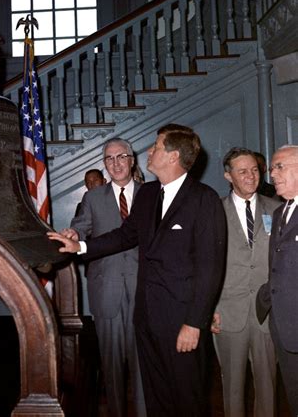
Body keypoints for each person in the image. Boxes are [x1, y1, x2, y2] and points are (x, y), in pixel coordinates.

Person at [48, 124, 226, 417]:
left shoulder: (203, 199)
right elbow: (124, 236)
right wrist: (79, 248)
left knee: (187, 400)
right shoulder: (148, 195)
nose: (150, 151)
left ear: (173, 157)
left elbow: (211, 268)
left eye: (156, 147)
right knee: (157, 398)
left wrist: (194, 323)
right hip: (146, 319)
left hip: (182, 322)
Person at [63, 138, 145, 417]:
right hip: (106, 289)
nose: (116, 163)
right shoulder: (93, 198)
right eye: (109, 159)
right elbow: (81, 227)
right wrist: (74, 234)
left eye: (121, 157)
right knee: (111, 365)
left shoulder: (151, 194)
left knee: (144, 364)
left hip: (144, 290)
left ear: (132, 160)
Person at [211, 147, 279, 417]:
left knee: (268, 386)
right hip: (227, 313)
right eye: (242, 171)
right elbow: (204, 266)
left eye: (255, 170)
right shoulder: (213, 211)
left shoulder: (277, 209)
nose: (251, 176)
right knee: (233, 388)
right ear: (228, 176)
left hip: (267, 313)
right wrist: (209, 308)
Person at [257, 145, 298, 417]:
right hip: (283, 325)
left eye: (279, 166)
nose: (272, 174)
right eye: (272, 168)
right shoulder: (279, 213)